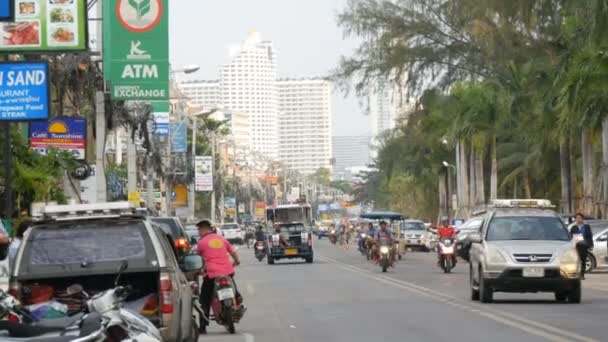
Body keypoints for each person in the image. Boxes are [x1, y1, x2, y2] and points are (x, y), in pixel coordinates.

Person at [196, 220, 243, 334]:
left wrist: (199, 271)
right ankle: (237, 301)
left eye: (199, 230)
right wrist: (236, 261)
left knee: (204, 300)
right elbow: (232, 251)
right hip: (227, 271)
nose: (198, 232)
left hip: (211, 274)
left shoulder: (201, 243)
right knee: (235, 290)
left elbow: (198, 259)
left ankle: (202, 327)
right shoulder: (221, 239)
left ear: (203, 229)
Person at [570, 213, 593, 279]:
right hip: (577, 246)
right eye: (577, 218)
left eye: (579, 218)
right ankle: (575, 273)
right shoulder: (574, 227)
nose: (578, 219)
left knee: (583, 260)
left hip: (584, 245)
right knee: (576, 260)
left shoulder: (586, 227)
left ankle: (582, 274)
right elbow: (571, 236)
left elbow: (589, 236)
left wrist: (591, 245)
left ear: (582, 219)